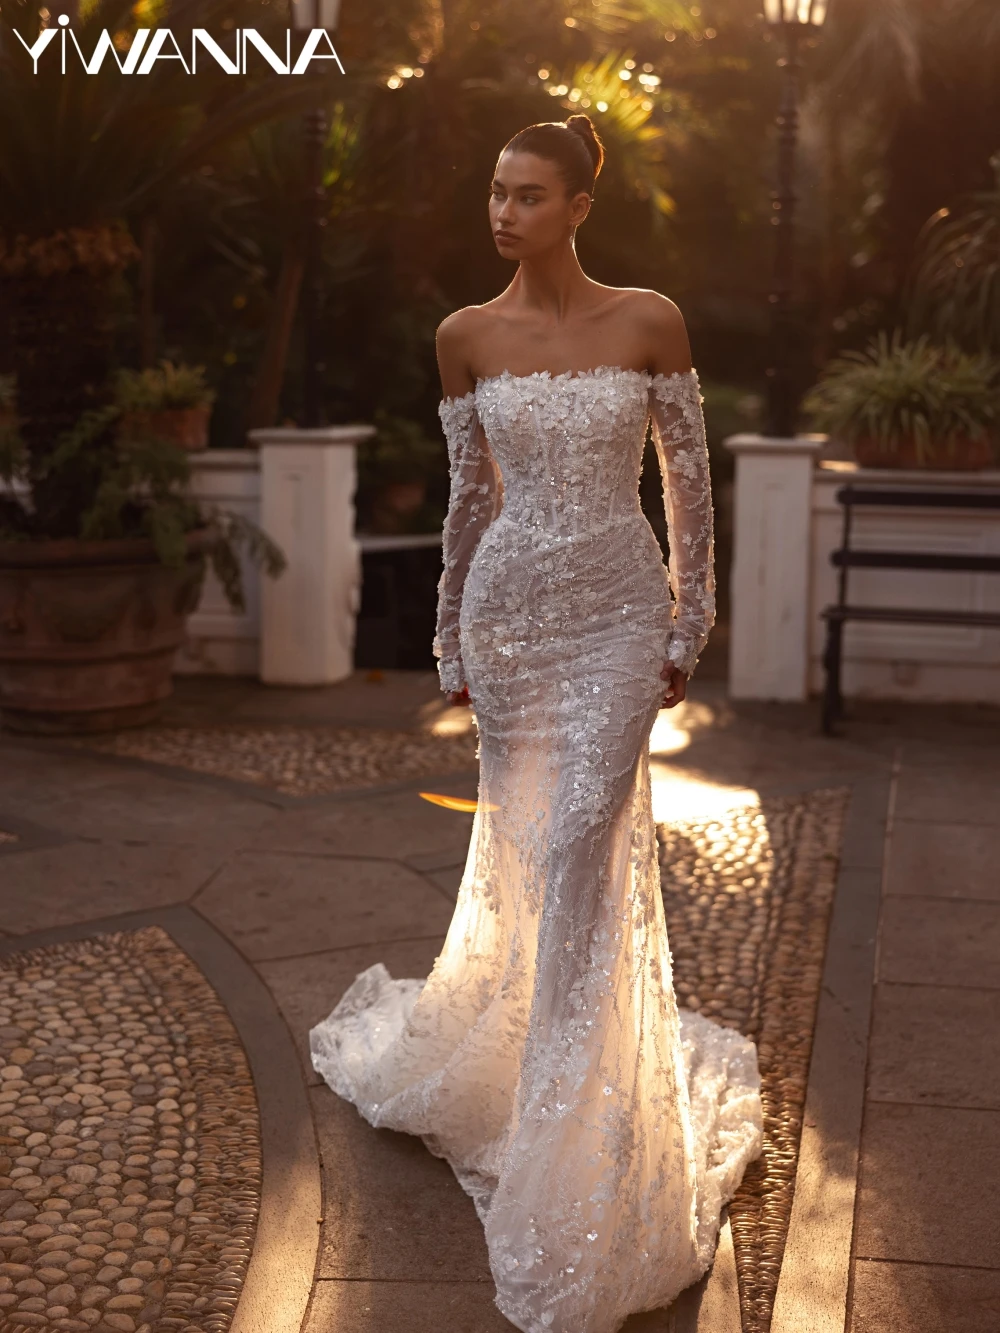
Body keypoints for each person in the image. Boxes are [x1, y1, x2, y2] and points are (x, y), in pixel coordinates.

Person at [310, 114, 764, 1333]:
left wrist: (687, 625)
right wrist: (450, 634)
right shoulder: (465, 336)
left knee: (579, 842)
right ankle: (516, 1071)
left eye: (526, 194)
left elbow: (686, 483)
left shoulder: (649, 318)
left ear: (577, 206)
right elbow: (469, 500)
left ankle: (576, 1142)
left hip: (619, 614)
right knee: (526, 847)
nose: (502, 212)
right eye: (495, 192)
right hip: (512, 617)